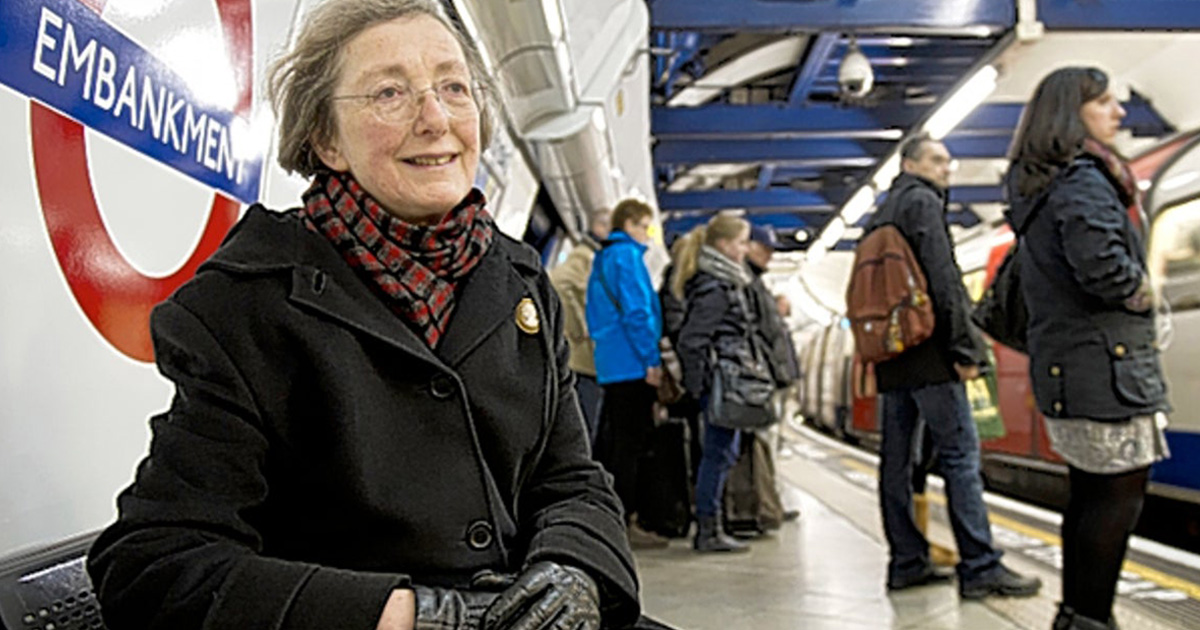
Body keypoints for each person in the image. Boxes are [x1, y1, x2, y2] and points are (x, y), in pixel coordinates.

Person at [85, 2, 646, 629]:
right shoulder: (243, 308)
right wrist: (412, 616)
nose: (435, 119)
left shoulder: (518, 280)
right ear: (327, 140)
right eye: (389, 93)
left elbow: (570, 479)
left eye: (454, 87)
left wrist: (577, 569)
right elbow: (152, 563)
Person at [1007, 67, 1170, 630]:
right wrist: (1143, 292)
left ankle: (1077, 615)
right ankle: (1090, 618)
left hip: (1078, 366)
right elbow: (1103, 269)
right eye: (1103, 102)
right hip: (1106, 368)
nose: (1118, 112)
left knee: (1089, 499)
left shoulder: (1044, 183)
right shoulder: (1082, 180)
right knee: (1114, 503)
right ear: (1071, 113)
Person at [865, 133, 1041, 598]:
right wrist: (966, 350)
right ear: (910, 165)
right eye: (938, 160)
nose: (949, 169)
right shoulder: (922, 204)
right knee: (961, 457)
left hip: (893, 356)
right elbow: (943, 280)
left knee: (897, 462)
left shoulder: (878, 213)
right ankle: (981, 566)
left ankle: (906, 560)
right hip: (930, 355)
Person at [586, 198, 668, 549]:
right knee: (632, 447)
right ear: (632, 223)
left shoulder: (602, 259)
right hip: (634, 363)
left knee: (614, 445)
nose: (648, 235)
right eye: (647, 227)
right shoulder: (628, 257)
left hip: (609, 363)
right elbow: (637, 313)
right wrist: (652, 360)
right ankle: (627, 523)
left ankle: (608, 522)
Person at [673, 214, 758, 554]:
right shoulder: (716, 288)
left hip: (722, 380)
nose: (745, 249)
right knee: (717, 453)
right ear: (723, 246)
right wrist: (700, 387)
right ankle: (708, 528)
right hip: (722, 382)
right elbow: (692, 341)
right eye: (741, 242)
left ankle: (713, 525)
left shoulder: (720, 282)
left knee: (723, 452)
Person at [722, 225, 799, 536]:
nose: (768, 255)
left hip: (766, 376)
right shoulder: (744, 282)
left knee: (762, 445)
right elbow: (757, 334)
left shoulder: (754, 283)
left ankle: (766, 504)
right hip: (757, 378)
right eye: (762, 248)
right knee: (753, 444)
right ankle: (754, 509)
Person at [549, 210, 612, 444]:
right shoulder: (585, 257)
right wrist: (579, 329)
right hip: (581, 363)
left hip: (589, 363)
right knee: (581, 434)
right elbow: (560, 283)